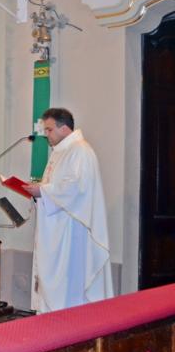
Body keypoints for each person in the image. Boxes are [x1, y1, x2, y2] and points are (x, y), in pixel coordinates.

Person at [23, 108, 113, 313]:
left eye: (49, 130)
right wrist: (39, 190)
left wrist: (42, 191)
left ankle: (71, 319)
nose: (46, 135)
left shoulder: (80, 150)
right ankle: (53, 317)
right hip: (57, 227)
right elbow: (56, 184)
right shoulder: (60, 151)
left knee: (71, 277)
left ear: (64, 128)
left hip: (73, 230)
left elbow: (77, 187)